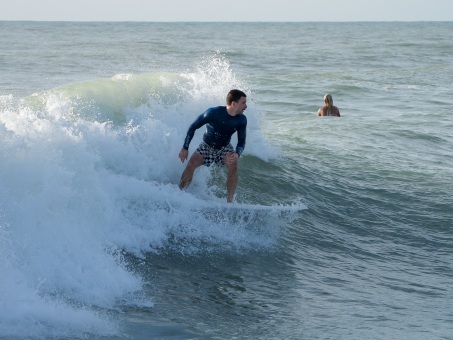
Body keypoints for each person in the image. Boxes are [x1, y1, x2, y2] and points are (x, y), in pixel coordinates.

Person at [178, 89, 248, 203]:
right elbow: (193, 127)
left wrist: (237, 153)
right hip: (207, 146)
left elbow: (242, 142)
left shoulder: (241, 120)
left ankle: (230, 202)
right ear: (234, 104)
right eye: (243, 103)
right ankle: (180, 194)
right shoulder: (213, 112)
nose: (246, 106)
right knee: (191, 163)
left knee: (233, 163)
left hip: (224, 148)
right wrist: (185, 147)